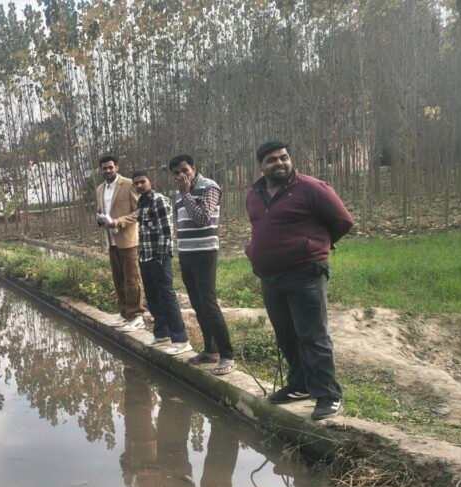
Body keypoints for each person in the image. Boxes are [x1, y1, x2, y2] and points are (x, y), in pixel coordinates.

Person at [245, 141, 355, 420]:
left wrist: (314, 246)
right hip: (269, 276)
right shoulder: (255, 194)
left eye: (284, 158)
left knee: (312, 335)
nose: (280, 163)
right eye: (272, 160)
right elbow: (259, 227)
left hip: (304, 273)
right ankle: (300, 385)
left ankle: (329, 395)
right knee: (286, 334)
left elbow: (342, 221)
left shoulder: (311, 188)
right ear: (261, 166)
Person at [169, 154, 235, 373]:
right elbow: (182, 223)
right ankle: (210, 350)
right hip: (186, 253)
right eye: (176, 172)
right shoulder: (178, 193)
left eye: (184, 170)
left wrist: (186, 193)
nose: (181, 175)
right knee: (197, 304)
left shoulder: (210, 187)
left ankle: (227, 355)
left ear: (194, 168)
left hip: (204, 252)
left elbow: (203, 218)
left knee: (208, 303)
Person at [132, 170, 192, 356]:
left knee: (166, 296)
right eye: (137, 183)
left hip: (158, 257)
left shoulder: (159, 200)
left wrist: (161, 256)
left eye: (143, 181)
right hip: (145, 256)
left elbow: (166, 231)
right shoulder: (141, 202)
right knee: (152, 296)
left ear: (151, 181)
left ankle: (181, 339)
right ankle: (161, 333)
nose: (140, 185)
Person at [95, 154, 145, 332]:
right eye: (104, 168)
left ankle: (137, 315)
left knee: (132, 279)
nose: (107, 170)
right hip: (111, 240)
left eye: (110, 167)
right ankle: (124, 313)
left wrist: (120, 221)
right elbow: (101, 210)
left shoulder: (129, 184)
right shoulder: (100, 189)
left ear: (116, 167)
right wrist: (100, 219)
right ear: (100, 170)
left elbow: (139, 211)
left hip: (128, 239)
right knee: (118, 279)